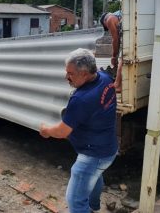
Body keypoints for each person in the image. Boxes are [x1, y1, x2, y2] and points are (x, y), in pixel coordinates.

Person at [39, 48, 118, 213]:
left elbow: (62, 131)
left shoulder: (81, 99)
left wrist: (46, 130)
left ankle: (86, 208)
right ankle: (93, 207)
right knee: (94, 177)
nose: (66, 77)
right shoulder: (104, 78)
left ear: (84, 74)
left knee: (75, 201)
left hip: (93, 154)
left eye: (70, 73)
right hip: (108, 148)